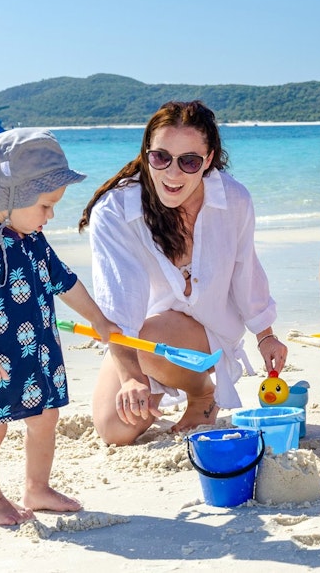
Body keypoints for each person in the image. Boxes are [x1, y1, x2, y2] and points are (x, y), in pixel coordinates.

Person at [78, 100, 289, 446]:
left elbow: (245, 271)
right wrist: (131, 377)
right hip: (141, 334)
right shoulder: (116, 209)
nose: (172, 174)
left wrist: (265, 335)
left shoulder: (233, 200)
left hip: (210, 332)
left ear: (207, 162)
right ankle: (167, 377)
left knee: (146, 342)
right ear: (147, 153)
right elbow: (116, 301)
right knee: (115, 429)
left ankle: (203, 393)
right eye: (161, 157)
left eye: (188, 162)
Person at [0, 128, 119, 526]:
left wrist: (98, 318)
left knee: (46, 420)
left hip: (37, 353)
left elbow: (64, 281)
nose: (50, 215)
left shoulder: (32, 239)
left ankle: (37, 488)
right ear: (12, 198)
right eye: (45, 205)